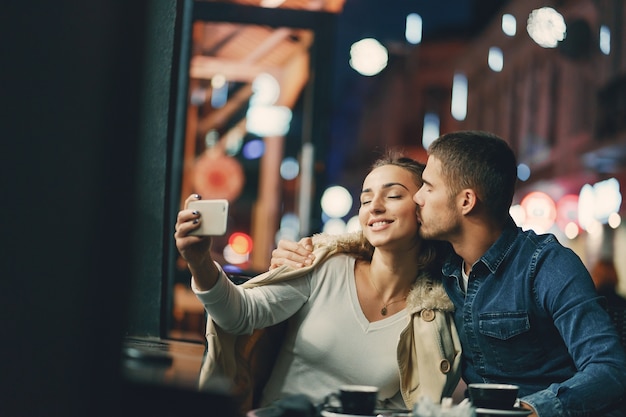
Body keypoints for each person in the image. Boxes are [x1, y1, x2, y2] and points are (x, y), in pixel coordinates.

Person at [271, 131, 626, 417]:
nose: (418, 199)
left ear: (466, 202)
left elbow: (610, 370)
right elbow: (383, 250)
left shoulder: (546, 265)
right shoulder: (443, 267)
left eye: (428, 186)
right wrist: (312, 251)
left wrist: (528, 410)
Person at [174, 155, 462, 415]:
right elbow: (239, 316)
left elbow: (409, 408)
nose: (374, 207)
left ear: (423, 208)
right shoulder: (322, 266)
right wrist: (199, 261)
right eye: (365, 200)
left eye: (394, 195)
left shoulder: (432, 317)